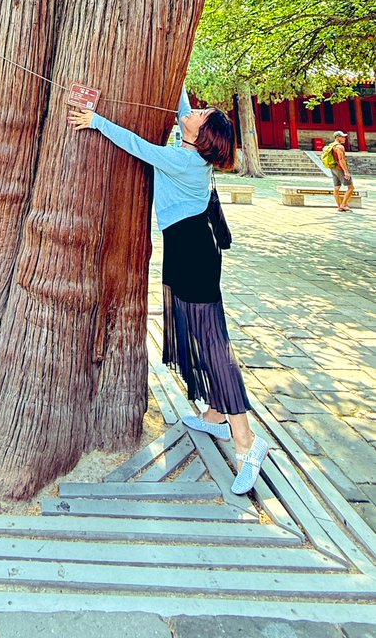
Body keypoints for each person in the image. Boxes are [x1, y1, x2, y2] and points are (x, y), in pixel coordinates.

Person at [68, 88, 268, 495]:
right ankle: (215, 413)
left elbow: (139, 147)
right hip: (188, 249)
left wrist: (95, 122)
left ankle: (247, 439)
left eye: (199, 114)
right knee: (196, 332)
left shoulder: (183, 159)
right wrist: (178, 85)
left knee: (213, 342)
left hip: (195, 255)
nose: (191, 112)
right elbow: (181, 110)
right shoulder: (189, 145)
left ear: (202, 135)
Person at [328, 129, 355, 212]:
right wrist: (346, 172)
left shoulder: (332, 146)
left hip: (333, 168)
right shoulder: (339, 146)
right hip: (340, 169)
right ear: (338, 137)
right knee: (351, 187)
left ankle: (339, 206)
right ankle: (343, 204)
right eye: (343, 137)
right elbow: (341, 159)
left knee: (336, 188)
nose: (344, 139)